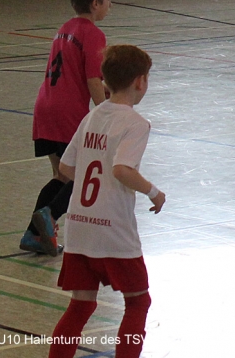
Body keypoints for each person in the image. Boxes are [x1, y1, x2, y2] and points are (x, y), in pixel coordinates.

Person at [48, 44, 164, 358]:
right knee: (138, 302)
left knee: (80, 305)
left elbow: (65, 168)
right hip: (113, 230)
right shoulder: (135, 123)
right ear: (140, 81)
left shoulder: (92, 116)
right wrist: (154, 192)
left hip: (79, 227)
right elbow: (122, 169)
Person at [21, 0, 114, 257]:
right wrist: (106, 113)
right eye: (109, 0)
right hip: (66, 113)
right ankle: (49, 215)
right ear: (96, 4)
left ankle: (34, 235)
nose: (110, 5)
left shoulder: (65, 28)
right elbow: (92, 79)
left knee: (61, 176)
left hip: (45, 107)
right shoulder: (94, 34)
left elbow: (73, 73)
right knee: (82, 173)